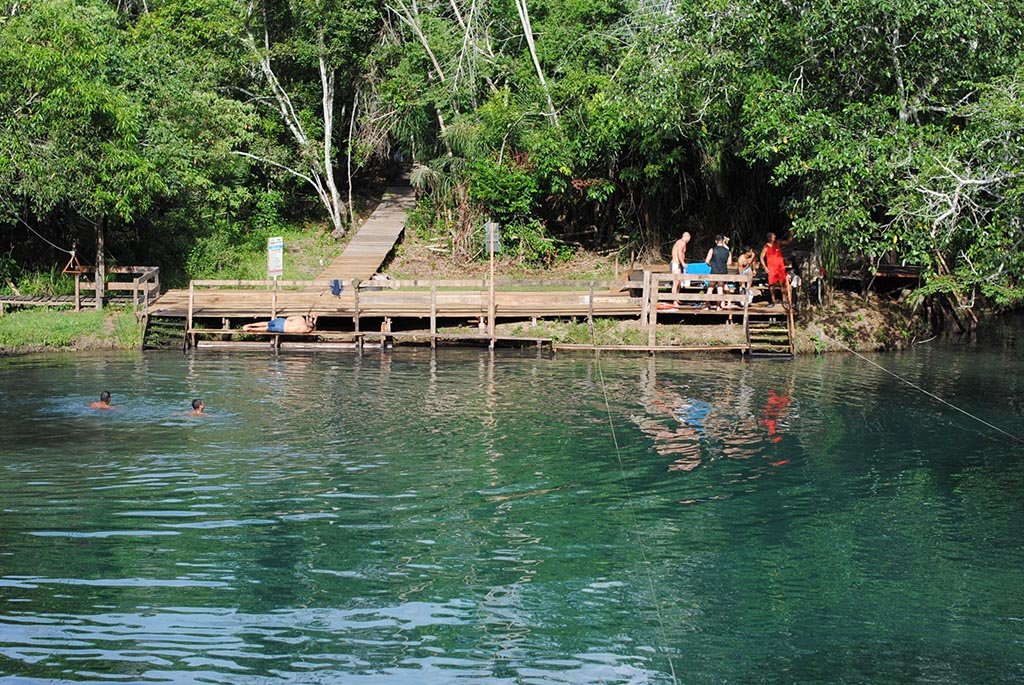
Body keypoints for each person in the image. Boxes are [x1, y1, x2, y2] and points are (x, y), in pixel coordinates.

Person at [759, 231, 793, 307]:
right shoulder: (766, 247)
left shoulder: (778, 243)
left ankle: (784, 300)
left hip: (780, 268)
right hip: (771, 268)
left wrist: (791, 234)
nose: (774, 237)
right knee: (772, 285)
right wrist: (765, 267)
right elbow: (761, 257)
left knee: (783, 284)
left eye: (774, 236)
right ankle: (773, 301)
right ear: (769, 238)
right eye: (773, 236)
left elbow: (788, 242)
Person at [704, 234, 733, 310]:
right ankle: (718, 306)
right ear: (723, 241)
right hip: (723, 272)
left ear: (716, 241)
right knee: (720, 289)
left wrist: (712, 264)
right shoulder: (728, 251)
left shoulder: (712, 250)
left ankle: (707, 305)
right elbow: (729, 263)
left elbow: (707, 261)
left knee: (710, 288)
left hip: (714, 271)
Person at [670, 231, 691, 305]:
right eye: (689, 239)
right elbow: (679, 252)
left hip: (679, 265)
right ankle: (674, 301)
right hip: (676, 264)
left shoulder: (680, 242)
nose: (689, 241)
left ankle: (677, 298)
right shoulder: (682, 242)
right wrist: (682, 263)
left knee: (679, 282)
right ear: (687, 237)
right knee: (676, 282)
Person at [242, 315, 315, 334]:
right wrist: (315, 319)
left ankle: (250, 325)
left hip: (283, 322)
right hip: (283, 329)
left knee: (267, 323)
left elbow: (289, 318)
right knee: (266, 328)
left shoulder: (300, 318)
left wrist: (309, 318)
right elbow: (312, 327)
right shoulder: (305, 329)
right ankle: (250, 329)